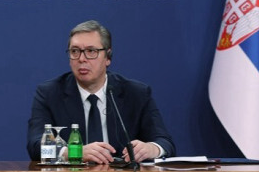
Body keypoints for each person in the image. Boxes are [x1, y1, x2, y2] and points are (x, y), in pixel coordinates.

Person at [27, 20, 175, 164]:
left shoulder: (136, 93)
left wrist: (151, 149)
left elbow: (165, 143)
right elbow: (35, 145)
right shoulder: (50, 93)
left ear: (108, 57)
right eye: (75, 51)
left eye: (91, 51)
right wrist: (73, 152)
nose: (82, 59)